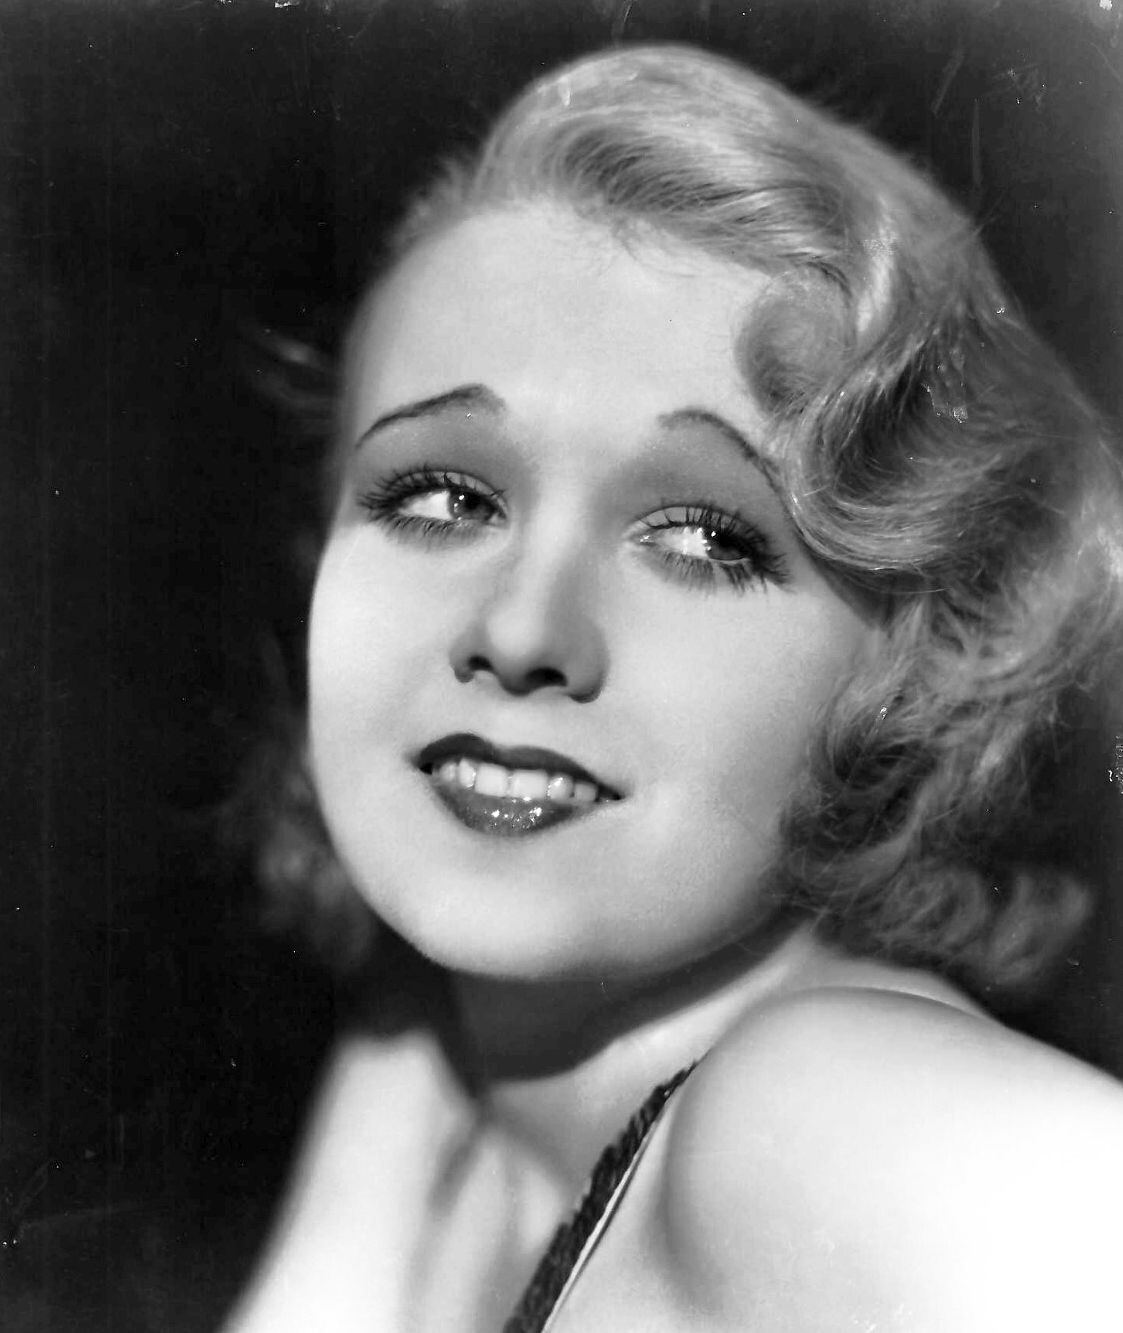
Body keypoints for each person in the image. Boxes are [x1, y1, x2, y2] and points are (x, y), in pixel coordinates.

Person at [223, 43, 1123, 1333]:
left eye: (701, 538)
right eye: (442, 497)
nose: (521, 630)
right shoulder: (437, 1082)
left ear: (915, 665)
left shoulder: (825, 1116)